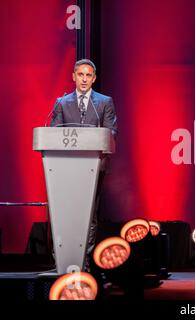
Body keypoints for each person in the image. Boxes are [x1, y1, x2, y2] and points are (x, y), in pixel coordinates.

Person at [50, 58, 118, 270]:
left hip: (93, 167)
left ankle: (84, 260)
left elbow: (111, 132)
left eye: (88, 75)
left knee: (89, 213)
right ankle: (61, 259)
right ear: (73, 77)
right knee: (63, 213)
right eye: (81, 74)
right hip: (64, 168)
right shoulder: (61, 103)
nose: (84, 79)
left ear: (94, 79)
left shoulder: (104, 102)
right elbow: (53, 134)